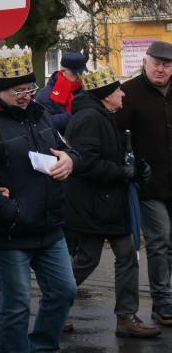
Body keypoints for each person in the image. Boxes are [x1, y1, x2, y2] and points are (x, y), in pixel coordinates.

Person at [0, 46, 78, 353]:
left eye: (31, 89)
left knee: (64, 292)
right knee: (15, 306)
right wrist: (13, 214)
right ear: (0, 90)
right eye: (20, 90)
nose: (28, 96)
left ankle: (42, 346)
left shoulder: (38, 115)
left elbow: (65, 149)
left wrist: (70, 160)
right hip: (11, 231)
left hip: (50, 227)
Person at [64, 65, 160, 338]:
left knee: (122, 255)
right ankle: (54, 306)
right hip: (95, 205)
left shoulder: (100, 116)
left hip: (104, 204)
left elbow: (103, 158)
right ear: (106, 95)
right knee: (89, 260)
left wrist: (134, 167)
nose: (122, 94)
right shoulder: (89, 119)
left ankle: (126, 317)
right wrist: (123, 172)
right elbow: (87, 164)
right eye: (118, 90)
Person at [115, 39, 172, 326]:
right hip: (149, 185)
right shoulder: (129, 92)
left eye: (166, 65)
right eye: (156, 63)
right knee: (160, 240)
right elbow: (115, 135)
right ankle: (162, 304)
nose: (160, 69)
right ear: (145, 63)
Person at [35, 52, 88, 132]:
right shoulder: (46, 93)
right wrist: (76, 115)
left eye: (82, 73)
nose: (80, 77)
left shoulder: (87, 88)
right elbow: (44, 121)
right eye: (76, 73)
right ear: (63, 71)